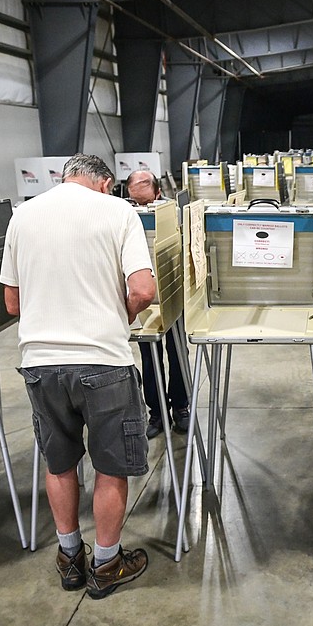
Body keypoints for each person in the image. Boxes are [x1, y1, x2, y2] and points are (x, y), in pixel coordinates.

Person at [1, 153, 154, 600]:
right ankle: (106, 565)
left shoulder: (22, 215)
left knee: (59, 461)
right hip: (102, 358)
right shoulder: (119, 211)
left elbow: (12, 304)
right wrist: (114, 316)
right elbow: (143, 290)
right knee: (111, 465)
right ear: (105, 184)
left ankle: (70, 558)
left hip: (40, 362)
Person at [125, 170, 191, 438]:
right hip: (142, 296)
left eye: (145, 200)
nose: (141, 207)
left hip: (172, 292)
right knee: (150, 358)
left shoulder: (172, 214)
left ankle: (181, 407)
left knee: (178, 353)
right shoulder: (124, 217)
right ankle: (157, 411)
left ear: (157, 193)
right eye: (135, 201)